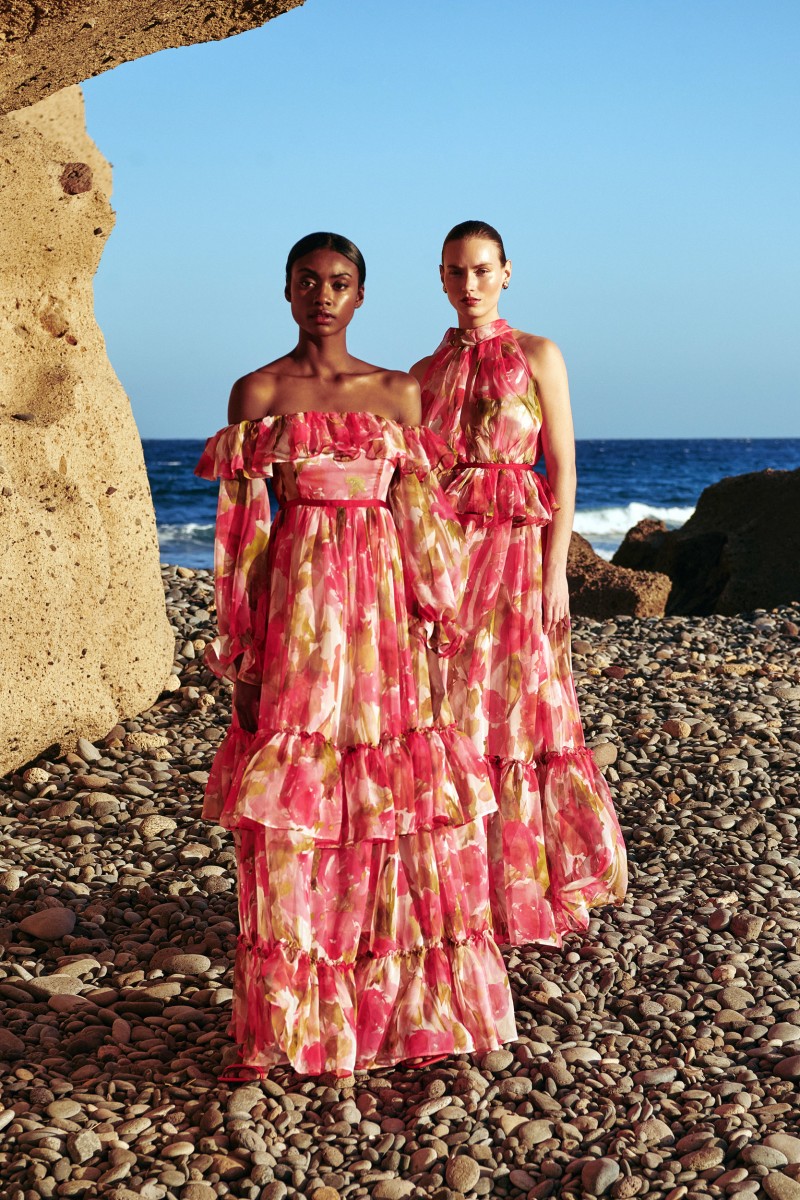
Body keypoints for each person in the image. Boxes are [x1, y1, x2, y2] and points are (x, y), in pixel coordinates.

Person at [195, 232, 515, 1079]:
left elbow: (424, 527)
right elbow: (244, 536)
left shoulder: (397, 395)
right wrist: (243, 653)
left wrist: (442, 624)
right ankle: (287, 1021)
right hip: (300, 620)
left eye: (340, 283)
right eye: (309, 281)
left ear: (361, 295)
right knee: (299, 806)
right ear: (287, 291)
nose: (324, 295)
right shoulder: (258, 391)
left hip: (384, 629)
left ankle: (399, 1013)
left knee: (390, 804)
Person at [411, 220, 627, 948]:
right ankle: (456, 888)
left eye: (480, 270)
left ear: (506, 273)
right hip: (446, 561)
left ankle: (520, 891)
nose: (467, 285)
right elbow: (408, 481)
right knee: (448, 715)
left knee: (521, 714)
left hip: (515, 557)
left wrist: (557, 571)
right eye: (453, 272)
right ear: (441, 279)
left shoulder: (539, 355)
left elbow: (561, 470)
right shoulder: (419, 372)